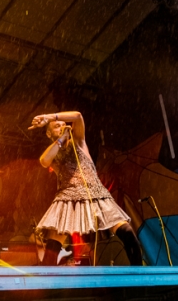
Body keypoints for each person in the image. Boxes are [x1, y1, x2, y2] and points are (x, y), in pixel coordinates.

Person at [29, 111, 143, 266]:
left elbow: (78, 116)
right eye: (57, 126)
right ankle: (47, 278)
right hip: (68, 198)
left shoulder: (78, 141)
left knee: (127, 232)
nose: (62, 127)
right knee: (53, 245)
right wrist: (61, 139)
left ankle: (138, 273)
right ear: (49, 134)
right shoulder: (54, 151)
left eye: (64, 124)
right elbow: (44, 160)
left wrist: (50, 117)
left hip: (95, 194)